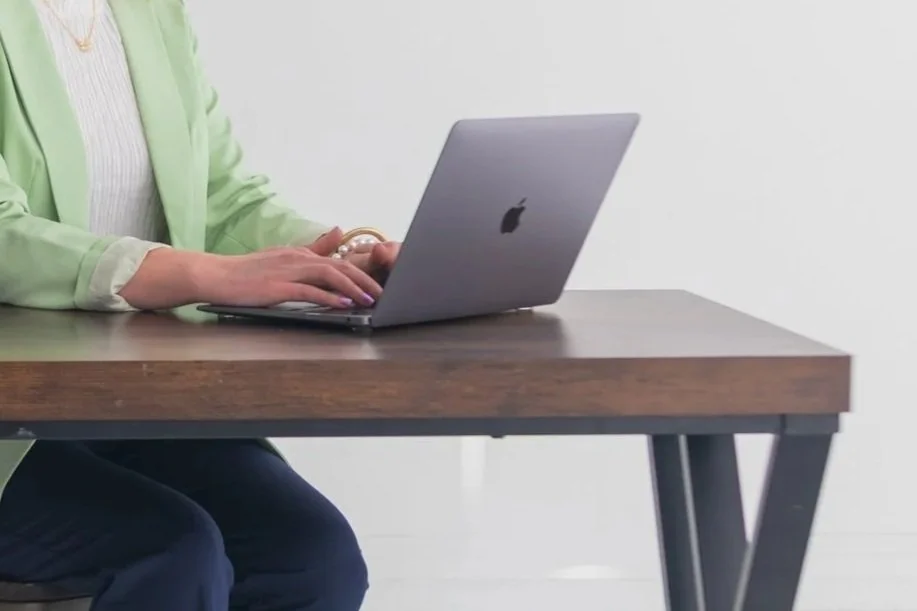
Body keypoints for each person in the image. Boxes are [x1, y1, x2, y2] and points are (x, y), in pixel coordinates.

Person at [0, 0, 399, 609]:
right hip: (14, 416)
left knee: (311, 557)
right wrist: (204, 274)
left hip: (130, 402)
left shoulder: (151, 13)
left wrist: (342, 262)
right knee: (176, 554)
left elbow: (223, 200)